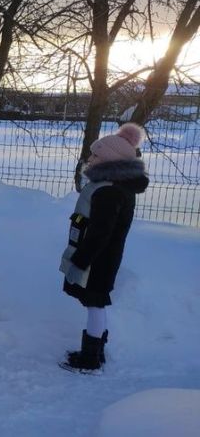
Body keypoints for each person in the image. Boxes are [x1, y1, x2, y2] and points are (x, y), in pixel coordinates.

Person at [59, 123, 149, 373]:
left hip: (98, 260)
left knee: (95, 303)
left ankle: (90, 358)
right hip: (101, 258)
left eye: (96, 154)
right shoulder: (111, 186)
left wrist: (81, 259)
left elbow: (100, 233)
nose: (90, 158)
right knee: (94, 303)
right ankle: (95, 352)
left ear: (110, 160)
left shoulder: (109, 192)